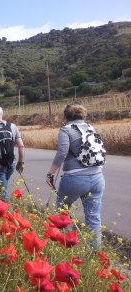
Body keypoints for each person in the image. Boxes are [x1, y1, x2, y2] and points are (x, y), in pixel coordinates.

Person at [46, 104, 105, 249]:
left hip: (75, 178)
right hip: (97, 177)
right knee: (93, 217)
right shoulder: (91, 128)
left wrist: (51, 173)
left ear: (65, 117)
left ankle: (67, 245)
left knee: (62, 213)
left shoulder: (66, 130)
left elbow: (62, 153)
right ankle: (95, 251)